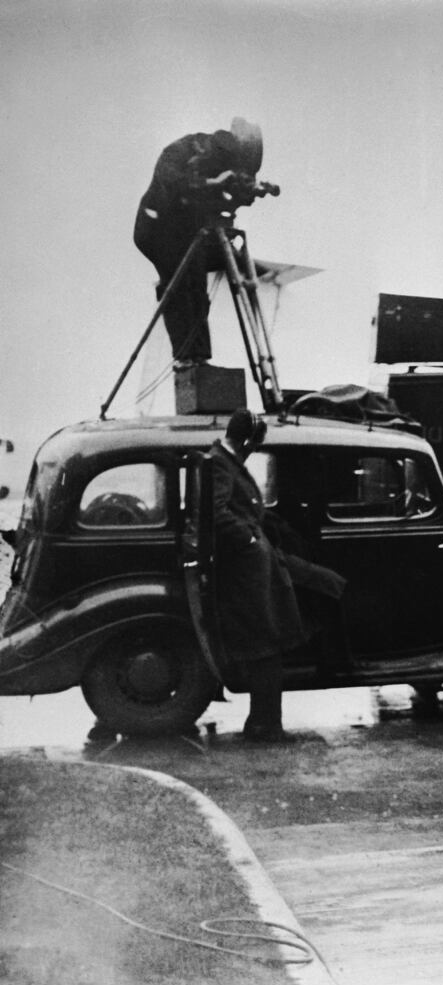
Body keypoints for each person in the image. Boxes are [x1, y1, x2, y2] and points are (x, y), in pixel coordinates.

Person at [210, 408, 309, 743]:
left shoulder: (224, 461)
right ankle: (266, 726)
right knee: (265, 645)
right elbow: (218, 511)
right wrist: (249, 540)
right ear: (248, 440)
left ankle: (262, 721)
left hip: (252, 569)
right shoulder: (220, 464)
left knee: (266, 643)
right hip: (246, 572)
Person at [134, 117, 265, 367]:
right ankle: (188, 360)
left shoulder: (218, 160)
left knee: (196, 285)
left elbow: (218, 200)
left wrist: (239, 192)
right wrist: (215, 185)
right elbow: (181, 186)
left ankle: (199, 359)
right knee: (182, 284)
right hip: (158, 228)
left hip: (189, 230)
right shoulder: (186, 154)